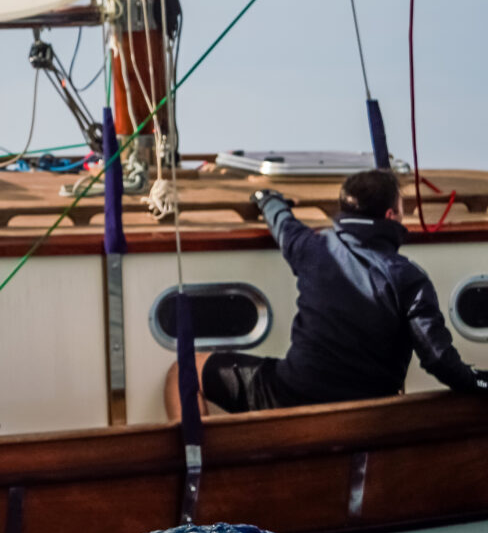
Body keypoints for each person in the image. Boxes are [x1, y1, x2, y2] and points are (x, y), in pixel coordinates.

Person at [194, 171, 488, 414]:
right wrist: (480, 382)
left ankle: (196, 463)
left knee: (185, 369)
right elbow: (439, 360)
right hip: (371, 414)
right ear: (391, 215)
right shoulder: (408, 277)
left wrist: (268, 199)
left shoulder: (314, 247)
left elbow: (284, 225)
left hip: (292, 396)